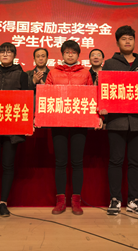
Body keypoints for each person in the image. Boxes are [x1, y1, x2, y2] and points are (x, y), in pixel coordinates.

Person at [100, 25, 138, 216]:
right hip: (116, 120)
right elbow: (103, 89)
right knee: (116, 160)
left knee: (135, 162)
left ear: (134, 41)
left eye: (130, 38)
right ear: (117, 42)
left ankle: (134, 200)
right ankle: (115, 199)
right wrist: (103, 107)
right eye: (124, 38)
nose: (127, 41)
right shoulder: (110, 64)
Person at [46, 40, 98, 215]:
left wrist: (97, 117)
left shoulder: (85, 73)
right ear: (62, 54)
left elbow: (92, 96)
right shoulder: (53, 73)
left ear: (78, 55)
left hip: (79, 122)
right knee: (60, 162)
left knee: (77, 162)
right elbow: (46, 96)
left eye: (73, 52)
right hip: (58, 121)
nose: (70, 55)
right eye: (67, 52)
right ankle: (60, 201)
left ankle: (76, 201)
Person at [0, 42, 29, 218]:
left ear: (14, 56)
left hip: (13, 127)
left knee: (8, 165)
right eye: (2, 52)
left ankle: (4, 203)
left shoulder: (22, 75)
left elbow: (26, 99)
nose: (6, 54)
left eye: (9, 52)